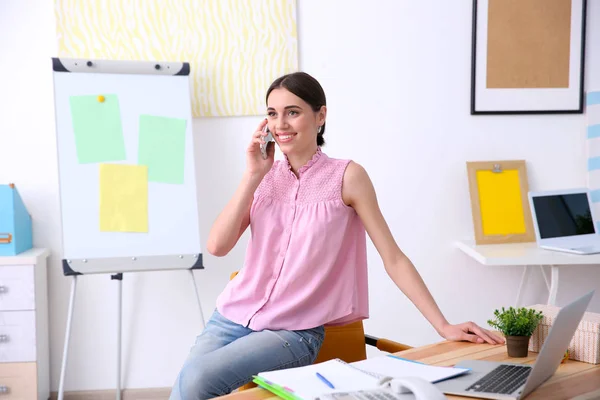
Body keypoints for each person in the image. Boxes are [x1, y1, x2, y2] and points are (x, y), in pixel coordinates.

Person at [169, 72, 504, 400]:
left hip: (292, 332)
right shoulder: (264, 175)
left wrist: (443, 326)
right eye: (272, 114)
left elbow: (394, 258)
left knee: (196, 379)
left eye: (293, 112)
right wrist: (252, 175)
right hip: (232, 314)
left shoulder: (348, 177)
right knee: (185, 387)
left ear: (321, 116)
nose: (280, 124)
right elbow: (217, 245)